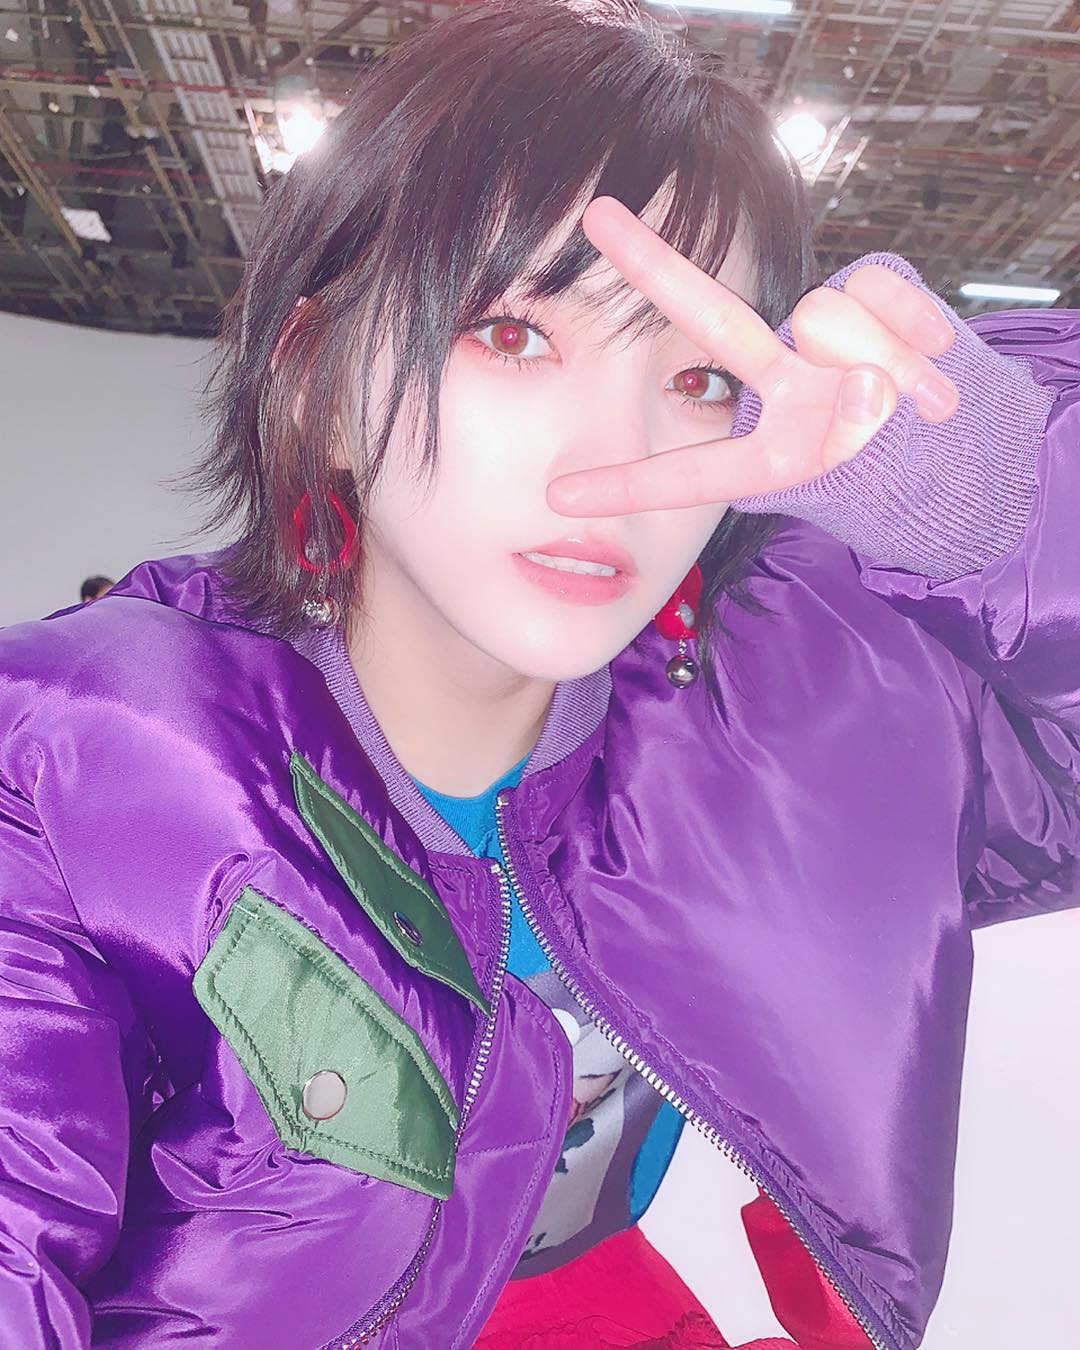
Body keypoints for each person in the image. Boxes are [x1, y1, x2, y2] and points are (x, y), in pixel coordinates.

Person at [0, 3, 1075, 1347]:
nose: (613, 459)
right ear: (316, 379)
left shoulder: (797, 708)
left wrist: (996, 506)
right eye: (513, 338)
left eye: (696, 376)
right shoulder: (74, 764)